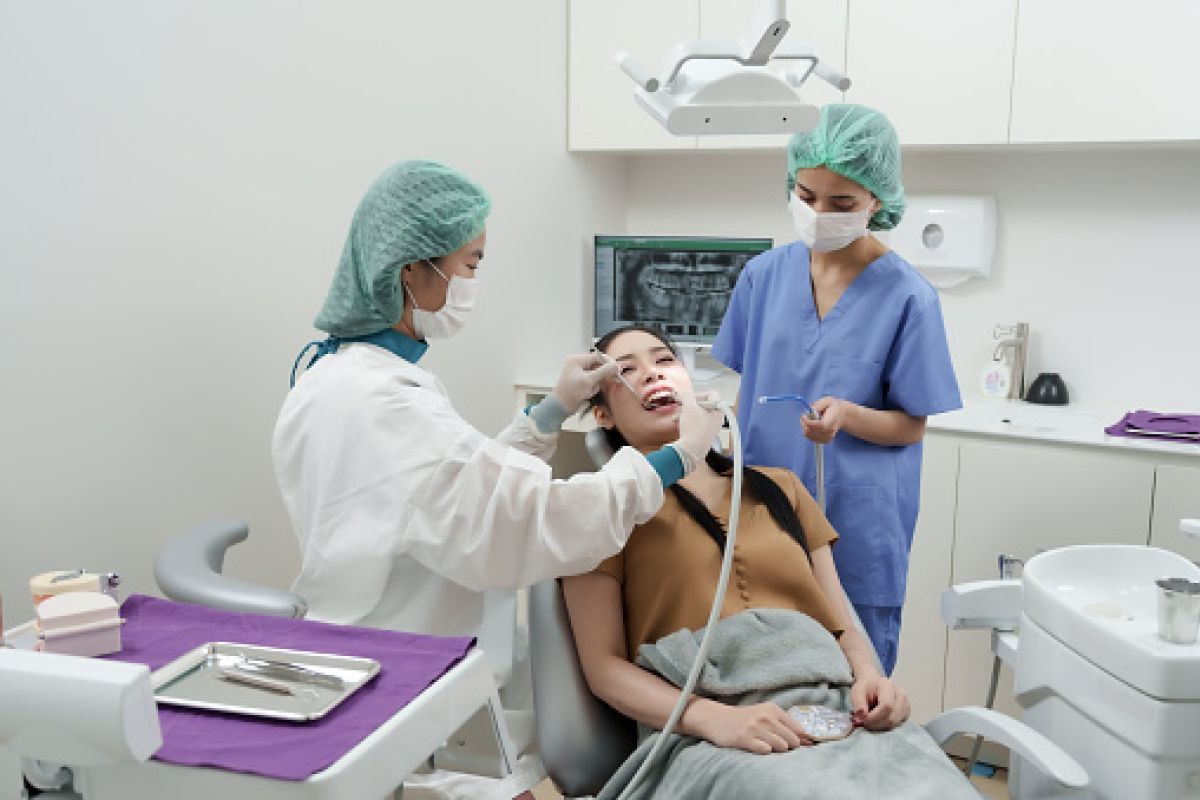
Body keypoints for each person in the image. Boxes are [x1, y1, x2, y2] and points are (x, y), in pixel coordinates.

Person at [272, 161, 724, 800]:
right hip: (400, 684)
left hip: (385, 652)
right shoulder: (385, 404)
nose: (473, 281)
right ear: (412, 271)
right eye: (471, 263)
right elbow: (522, 518)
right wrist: (676, 459)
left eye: (664, 360)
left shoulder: (335, 379)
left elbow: (453, 491)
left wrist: (547, 415)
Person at [562, 327, 976, 798]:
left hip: (837, 712)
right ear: (602, 414)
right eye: (626, 370)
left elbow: (842, 624)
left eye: (664, 360)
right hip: (710, 729)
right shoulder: (596, 510)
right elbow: (603, 668)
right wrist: (714, 719)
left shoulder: (781, 488)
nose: (652, 374)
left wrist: (872, 679)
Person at [712, 104, 962, 675]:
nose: (820, 214)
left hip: (856, 521)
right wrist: (721, 454)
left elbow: (911, 425)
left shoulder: (909, 297)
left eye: (842, 203)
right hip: (764, 507)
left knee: (855, 680)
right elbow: (749, 389)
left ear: (877, 200)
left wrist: (848, 415)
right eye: (806, 196)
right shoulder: (762, 276)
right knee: (762, 671)